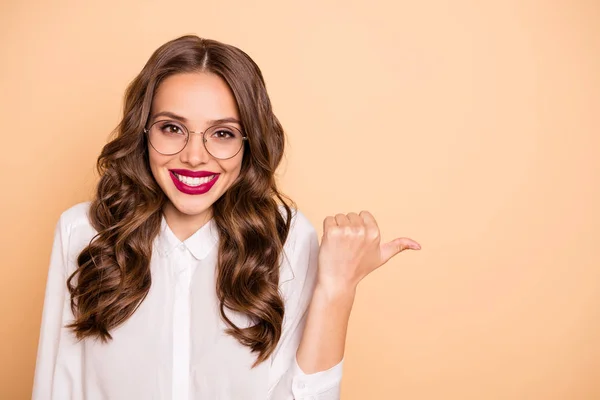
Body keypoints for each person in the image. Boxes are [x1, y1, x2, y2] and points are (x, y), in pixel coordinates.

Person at [32, 35, 420, 400]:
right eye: (172, 128)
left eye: (222, 134)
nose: (195, 156)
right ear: (143, 133)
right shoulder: (84, 232)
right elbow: (57, 384)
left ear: (248, 143)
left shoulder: (286, 238)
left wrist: (337, 289)